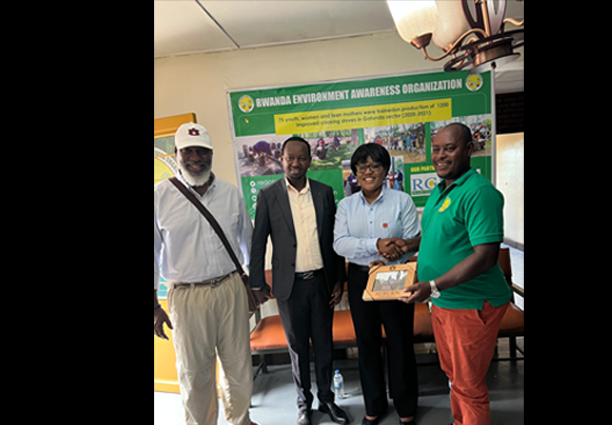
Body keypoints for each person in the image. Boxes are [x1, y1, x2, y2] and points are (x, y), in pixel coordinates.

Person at [398, 123, 512, 425]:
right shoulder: (441, 190)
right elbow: (439, 235)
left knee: (468, 384)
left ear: (469, 149)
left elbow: (485, 257)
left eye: (450, 148)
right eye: (436, 149)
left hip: (471, 303)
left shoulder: (480, 193)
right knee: (454, 376)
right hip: (444, 301)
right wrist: (408, 246)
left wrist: (433, 284)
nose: (441, 155)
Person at [154, 123, 268, 425]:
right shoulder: (159, 197)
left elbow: (249, 243)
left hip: (230, 288)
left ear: (211, 154)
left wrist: (255, 284)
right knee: (194, 373)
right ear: (176, 153)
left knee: (239, 366)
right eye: (188, 151)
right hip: (187, 296)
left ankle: (240, 420)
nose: (196, 157)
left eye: (202, 151)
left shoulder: (230, 194)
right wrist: (154, 305)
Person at [250, 137, 351, 425]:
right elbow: (259, 243)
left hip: (321, 283)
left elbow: (334, 240)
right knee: (297, 348)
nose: (295, 163)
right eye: (289, 158)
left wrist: (338, 279)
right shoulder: (269, 195)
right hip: (289, 287)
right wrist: (257, 283)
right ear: (280, 159)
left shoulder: (323, 193)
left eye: (301, 158)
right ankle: (303, 404)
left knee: (323, 344)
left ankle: (327, 401)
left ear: (310, 160)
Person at [333, 143, 421, 425]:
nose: (368, 172)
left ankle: (406, 407)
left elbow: (412, 239)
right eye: (362, 167)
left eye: (375, 166)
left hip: (395, 276)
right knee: (367, 343)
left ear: (386, 171)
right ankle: (374, 405)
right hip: (360, 278)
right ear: (355, 173)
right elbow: (340, 244)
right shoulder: (346, 206)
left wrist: (391, 255)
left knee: (400, 342)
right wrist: (377, 245)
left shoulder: (402, 201)